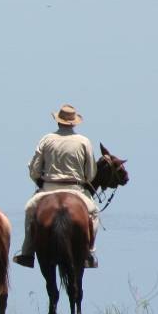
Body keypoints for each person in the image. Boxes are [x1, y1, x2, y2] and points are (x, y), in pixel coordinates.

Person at [13, 104, 98, 269]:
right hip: (76, 190)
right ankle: (89, 251)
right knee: (94, 213)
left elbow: (35, 170)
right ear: (74, 123)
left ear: (58, 121)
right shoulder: (84, 142)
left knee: (30, 211)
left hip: (48, 189)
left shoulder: (46, 139)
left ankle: (27, 253)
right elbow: (90, 173)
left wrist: (38, 178)